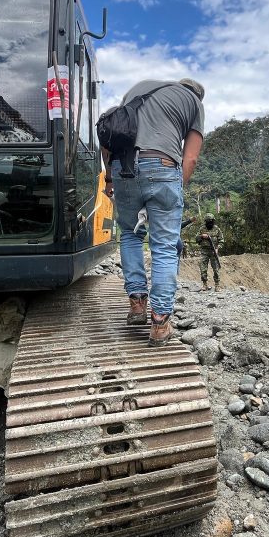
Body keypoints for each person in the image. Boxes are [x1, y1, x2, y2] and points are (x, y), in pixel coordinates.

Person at [101, 78, 205, 345]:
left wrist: (110, 177)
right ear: (198, 95)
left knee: (129, 233)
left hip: (122, 167)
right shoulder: (194, 102)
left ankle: (137, 304)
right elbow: (191, 157)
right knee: (165, 245)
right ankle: (159, 322)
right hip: (162, 165)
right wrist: (175, 188)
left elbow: (110, 128)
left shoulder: (139, 88)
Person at [195, 213, 223, 291]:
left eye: (210, 221)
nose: (209, 223)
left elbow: (221, 240)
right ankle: (205, 284)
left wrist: (217, 248)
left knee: (216, 269)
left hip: (213, 252)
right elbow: (196, 239)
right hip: (204, 251)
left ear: (213, 221)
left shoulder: (217, 229)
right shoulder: (202, 229)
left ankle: (217, 285)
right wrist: (201, 236)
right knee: (203, 268)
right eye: (208, 221)